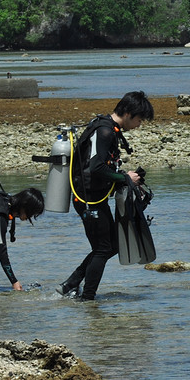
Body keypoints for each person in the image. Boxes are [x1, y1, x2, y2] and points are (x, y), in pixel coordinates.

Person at [57, 91, 154, 300]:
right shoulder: (105, 132)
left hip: (93, 197)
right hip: (88, 200)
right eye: (139, 119)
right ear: (128, 113)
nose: (139, 124)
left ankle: (71, 284)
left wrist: (123, 176)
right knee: (103, 248)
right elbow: (96, 167)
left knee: (111, 245)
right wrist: (125, 178)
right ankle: (87, 299)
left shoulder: (107, 128)